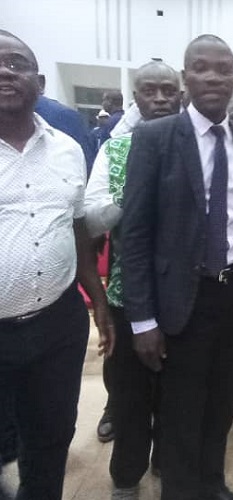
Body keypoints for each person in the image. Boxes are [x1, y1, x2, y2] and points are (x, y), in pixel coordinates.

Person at [121, 34, 233, 500]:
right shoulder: (155, 138)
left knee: (222, 400)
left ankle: (212, 484)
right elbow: (135, 235)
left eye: (223, 70)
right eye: (201, 68)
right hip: (180, 299)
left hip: (230, 296)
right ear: (185, 76)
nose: (213, 77)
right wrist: (142, 320)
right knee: (181, 410)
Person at [0, 29, 113, 500]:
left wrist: (99, 300)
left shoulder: (68, 149)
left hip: (58, 323)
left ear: (40, 82)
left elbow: (77, 229)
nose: (5, 72)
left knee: (50, 437)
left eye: (16, 63)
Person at [84, 60, 182, 500]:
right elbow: (92, 219)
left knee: (175, 395)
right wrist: (135, 194)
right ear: (136, 97)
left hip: (182, 296)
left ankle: (167, 463)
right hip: (130, 294)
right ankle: (126, 477)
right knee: (130, 397)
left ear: (179, 96)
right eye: (149, 91)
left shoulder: (194, 146)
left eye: (167, 91)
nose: (159, 99)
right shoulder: (117, 149)